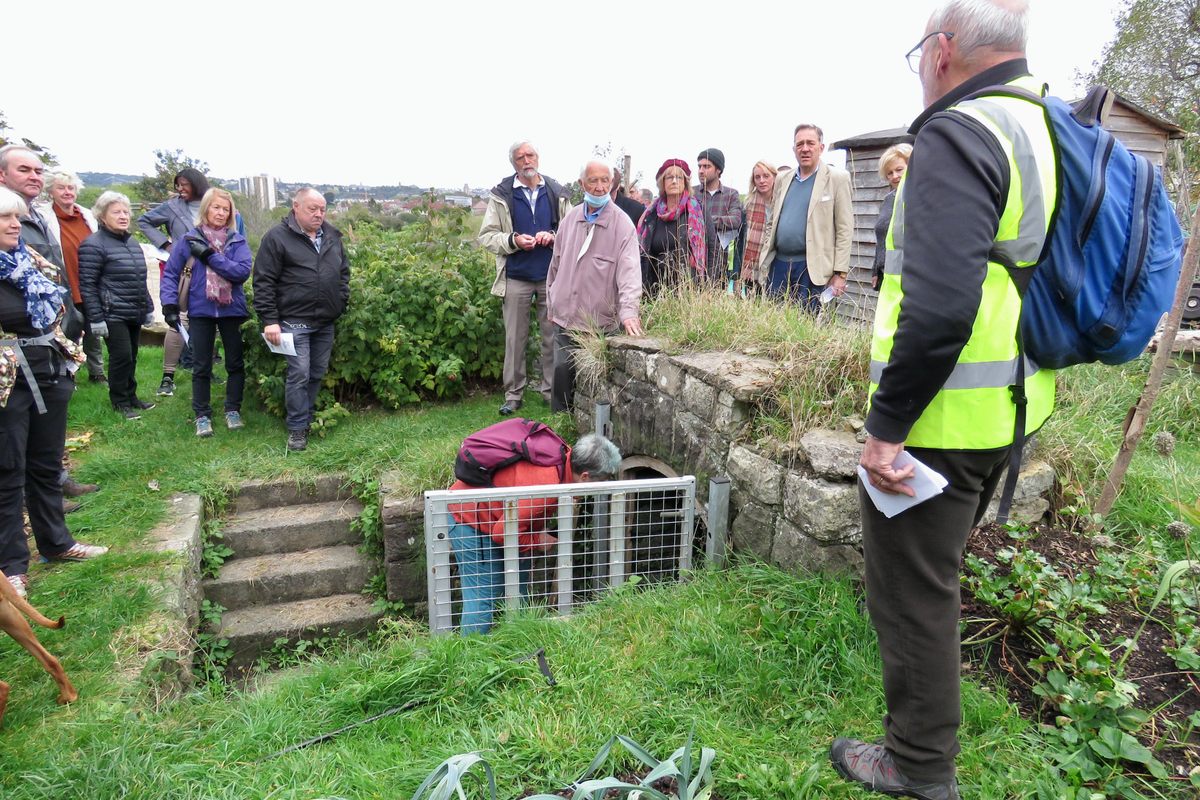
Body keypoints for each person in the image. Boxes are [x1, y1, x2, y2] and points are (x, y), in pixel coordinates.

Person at [831, 3, 1058, 799]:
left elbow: (937, 309)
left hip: (939, 419)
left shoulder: (960, 132)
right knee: (936, 582)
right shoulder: (1043, 122)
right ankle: (922, 752)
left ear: (944, 49)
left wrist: (885, 430)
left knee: (916, 595)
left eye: (918, 54)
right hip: (1009, 403)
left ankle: (920, 768)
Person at [0, 188, 108, 599]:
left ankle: (57, 543)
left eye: (18, 217)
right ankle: (11, 567)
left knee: (45, 464)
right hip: (7, 384)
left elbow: (60, 304)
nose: (16, 225)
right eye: (6, 219)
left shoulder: (30, 261)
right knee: (7, 472)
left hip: (47, 370)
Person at [446, 432, 622, 634]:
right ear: (585, 477)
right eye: (601, 483)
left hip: (497, 519)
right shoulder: (545, 486)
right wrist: (538, 540)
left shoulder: (563, 457)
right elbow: (501, 534)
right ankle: (470, 659)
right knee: (484, 595)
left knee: (517, 591)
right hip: (469, 519)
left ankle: (513, 646)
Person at [252, 187, 350, 452]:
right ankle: (297, 430)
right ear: (296, 206)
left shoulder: (331, 236)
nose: (319, 214)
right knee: (299, 374)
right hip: (294, 320)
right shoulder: (277, 238)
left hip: (324, 321)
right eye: (313, 209)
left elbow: (343, 272)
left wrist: (341, 300)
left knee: (316, 373)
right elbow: (263, 281)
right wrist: (269, 319)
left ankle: (305, 419)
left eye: (323, 210)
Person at [478, 141, 569, 417]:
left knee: (551, 336)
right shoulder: (502, 195)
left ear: (538, 158)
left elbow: (572, 231)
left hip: (550, 276)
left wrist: (554, 237)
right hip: (516, 276)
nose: (526, 160)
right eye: (520, 157)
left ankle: (549, 391)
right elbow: (486, 236)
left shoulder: (556, 192)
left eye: (530, 155)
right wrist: (513, 240)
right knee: (515, 339)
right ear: (514, 163)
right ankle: (513, 394)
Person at [546, 161, 644, 412]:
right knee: (562, 372)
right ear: (582, 184)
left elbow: (630, 272)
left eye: (605, 181)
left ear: (612, 184)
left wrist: (629, 311)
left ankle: (591, 427)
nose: (600, 187)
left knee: (597, 381)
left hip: (599, 320)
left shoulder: (622, 224)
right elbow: (555, 265)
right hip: (565, 315)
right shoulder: (570, 219)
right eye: (593, 181)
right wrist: (551, 301)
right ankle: (559, 427)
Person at [161, 189, 251, 438]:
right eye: (216, 207)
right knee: (201, 364)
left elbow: (241, 272)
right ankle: (202, 415)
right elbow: (171, 273)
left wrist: (210, 256)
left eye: (226, 209)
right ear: (206, 209)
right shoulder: (190, 240)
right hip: (201, 308)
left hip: (231, 309)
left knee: (235, 363)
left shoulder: (236, 240)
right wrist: (169, 304)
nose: (221, 213)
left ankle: (233, 409)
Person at [78, 192, 156, 420]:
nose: (123, 216)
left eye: (125, 212)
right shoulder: (93, 245)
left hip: (134, 308)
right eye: (116, 212)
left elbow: (140, 277)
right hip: (111, 312)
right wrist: (96, 318)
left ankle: (131, 396)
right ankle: (119, 401)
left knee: (131, 355)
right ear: (102, 216)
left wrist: (149, 306)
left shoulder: (131, 241)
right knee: (121, 356)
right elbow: (88, 284)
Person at [758, 124, 853, 311]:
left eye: (810, 143)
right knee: (772, 324)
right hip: (779, 265)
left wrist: (840, 273)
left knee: (805, 327)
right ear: (794, 149)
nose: (805, 148)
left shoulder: (837, 179)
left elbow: (845, 228)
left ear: (821, 147)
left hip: (811, 268)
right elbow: (773, 222)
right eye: (800, 144)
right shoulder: (783, 179)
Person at [137, 168, 211, 398]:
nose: (180, 189)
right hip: (185, 271)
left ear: (197, 184)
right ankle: (168, 376)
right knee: (179, 321)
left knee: (211, 322)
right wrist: (167, 244)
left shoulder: (214, 202)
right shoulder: (173, 207)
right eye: (178, 185)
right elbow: (144, 221)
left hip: (213, 271)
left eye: (184, 184)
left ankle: (205, 368)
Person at [36, 171, 104, 383]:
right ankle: (67, 372)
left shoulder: (87, 216)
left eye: (71, 188)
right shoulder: (43, 216)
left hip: (89, 281)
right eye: (61, 188)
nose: (67, 192)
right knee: (67, 329)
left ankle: (97, 372)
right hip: (63, 281)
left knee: (94, 330)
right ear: (50, 191)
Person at [636, 159, 707, 294]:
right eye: (669, 177)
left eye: (679, 177)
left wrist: (708, 286)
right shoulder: (651, 214)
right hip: (654, 290)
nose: (674, 181)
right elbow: (643, 253)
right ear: (662, 182)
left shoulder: (697, 211)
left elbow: (712, 247)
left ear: (685, 182)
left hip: (689, 291)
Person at [694, 148, 744, 284]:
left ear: (718, 170)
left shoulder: (731, 194)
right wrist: (718, 221)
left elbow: (735, 220)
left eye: (707, 166)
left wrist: (702, 219)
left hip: (722, 260)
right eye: (699, 166)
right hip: (695, 257)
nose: (701, 171)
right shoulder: (692, 193)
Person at [733, 161, 784, 293]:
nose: (762, 181)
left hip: (776, 265)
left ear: (774, 177)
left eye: (766, 176)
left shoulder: (783, 202)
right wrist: (736, 274)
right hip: (751, 270)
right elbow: (740, 242)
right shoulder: (748, 205)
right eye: (757, 177)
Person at [870, 143, 913, 291]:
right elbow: (882, 236)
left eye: (899, 170)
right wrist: (875, 269)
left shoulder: (919, 198)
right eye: (890, 173)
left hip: (909, 277)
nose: (895, 176)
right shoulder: (888, 200)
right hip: (886, 274)